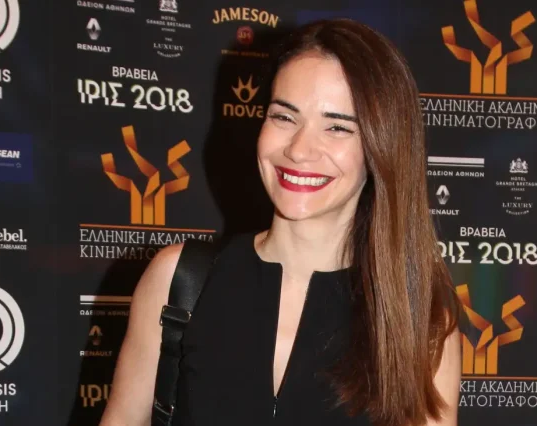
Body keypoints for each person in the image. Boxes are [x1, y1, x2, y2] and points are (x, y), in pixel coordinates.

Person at [99, 18, 462, 426]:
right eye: (284, 117)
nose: (299, 150)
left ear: (382, 146)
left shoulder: (421, 321)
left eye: (337, 127)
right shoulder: (178, 280)